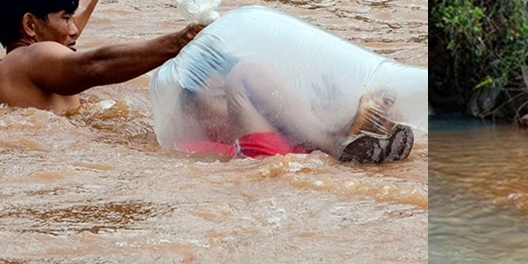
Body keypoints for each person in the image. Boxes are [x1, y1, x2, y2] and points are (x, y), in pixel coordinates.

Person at [0, 0, 203, 113]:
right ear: (30, 25)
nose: (74, 30)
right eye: (66, 18)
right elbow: (95, 65)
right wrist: (182, 39)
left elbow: (58, 36)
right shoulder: (32, 58)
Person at [173, 54, 415, 163]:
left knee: (385, 116)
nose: (234, 108)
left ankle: (358, 134)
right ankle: (335, 140)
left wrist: (329, 110)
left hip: (303, 158)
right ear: (193, 114)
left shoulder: (276, 124)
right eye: (222, 96)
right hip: (259, 159)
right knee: (245, 73)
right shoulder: (193, 148)